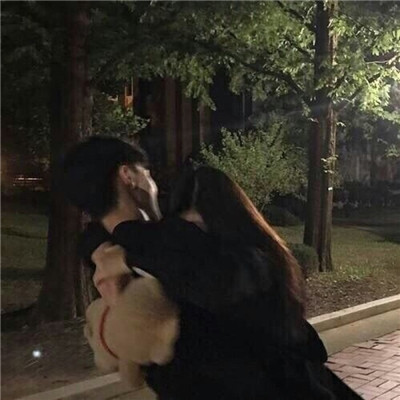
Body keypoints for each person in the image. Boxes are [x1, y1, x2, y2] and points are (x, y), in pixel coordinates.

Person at [62, 136, 362, 400]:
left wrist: (114, 246)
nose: (154, 186)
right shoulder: (170, 248)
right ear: (128, 175)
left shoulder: (110, 267)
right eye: (148, 174)